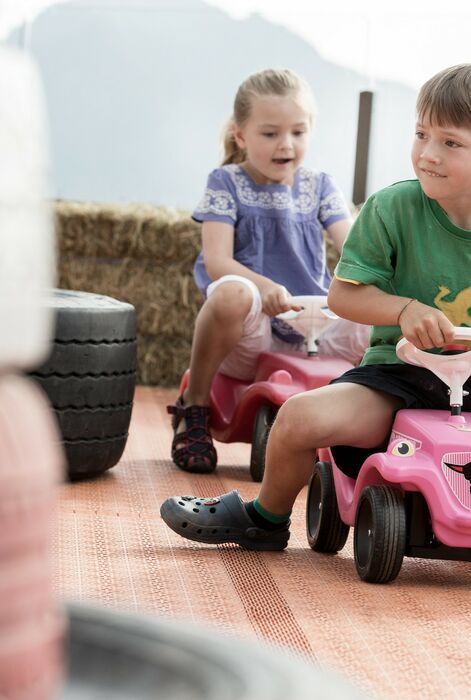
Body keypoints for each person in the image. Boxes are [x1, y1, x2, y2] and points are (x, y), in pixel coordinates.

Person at [161, 63, 471, 588]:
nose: (427, 153)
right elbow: (344, 294)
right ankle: (265, 518)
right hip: (396, 379)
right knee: (297, 419)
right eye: (421, 134)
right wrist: (403, 310)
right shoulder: (392, 208)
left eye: (450, 142)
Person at [169, 68, 368, 473]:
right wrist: (266, 288)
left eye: (298, 132)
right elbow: (217, 260)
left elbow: (353, 249)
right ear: (240, 135)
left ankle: (372, 422)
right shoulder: (225, 182)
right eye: (270, 133)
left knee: (383, 315)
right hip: (254, 333)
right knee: (231, 291)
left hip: (314, 323)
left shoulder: (321, 185)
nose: (286, 145)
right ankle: (196, 410)